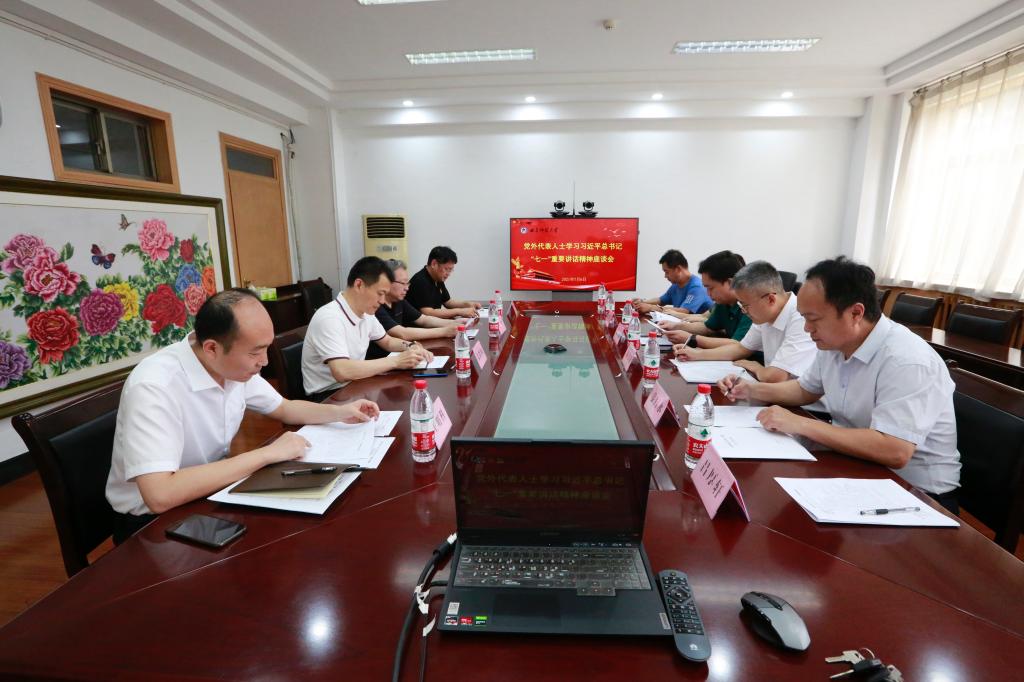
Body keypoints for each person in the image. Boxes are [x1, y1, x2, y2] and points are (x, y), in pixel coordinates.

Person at [105, 288, 381, 542]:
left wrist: (341, 412)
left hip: (207, 494)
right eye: (255, 352)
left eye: (266, 348)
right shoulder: (155, 386)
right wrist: (267, 454)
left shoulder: (230, 365)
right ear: (212, 348)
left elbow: (284, 408)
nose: (265, 361)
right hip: (150, 526)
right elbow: (160, 495)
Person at [719, 257, 960, 508]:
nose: (807, 329)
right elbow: (804, 390)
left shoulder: (907, 360)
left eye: (814, 319)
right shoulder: (835, 343)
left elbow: (895, 450)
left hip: (917, 494)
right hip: (858, 467)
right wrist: (751, 389)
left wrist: (801, 424)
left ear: (855, 313)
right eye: (804, 318)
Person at [302, 256, 433, 395]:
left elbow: (387, 341)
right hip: (329, 395)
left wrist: (411, 346)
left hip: (356, 384)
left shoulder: (366, 313)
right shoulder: (329, 318)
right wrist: (396, 361)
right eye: (380, 293)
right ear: (359, 285)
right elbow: (342, 371)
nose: (382, 301)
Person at [674, 260, 816, 382]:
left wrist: (758, 368)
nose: (743, 311)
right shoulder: (765, 315)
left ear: (770, 299)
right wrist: (696, 354)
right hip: (773, 390)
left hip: (802, 402)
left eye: (745, 305)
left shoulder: (801, 317)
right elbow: (741, 348)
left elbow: (776, 376)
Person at [366, 259, 459, 360]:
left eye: (407, 283)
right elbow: (401, 333)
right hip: (378, 361)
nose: (407, 288)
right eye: (403, 283)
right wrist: (444, 331)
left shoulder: (399, 300)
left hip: (397, 355)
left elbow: (423, 319)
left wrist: (455, 323)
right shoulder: (375, 306)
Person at [660, 250, 752, 350]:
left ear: (730, 283)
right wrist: (675, 326)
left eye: (710, 288)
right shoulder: (723, 303)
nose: (708, 293)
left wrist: (691, 339)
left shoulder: (750, 305)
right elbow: (707, 328)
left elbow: (738, 345)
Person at [632, 249, 714, 319]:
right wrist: (642, 302)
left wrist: (651, 308)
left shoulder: (697, 287)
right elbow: (661, 300)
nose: (665, 276)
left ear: (678, 269)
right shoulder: (676, 284)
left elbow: (684, 311)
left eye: (666, 272)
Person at [406, 246, 481, 319]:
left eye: (451, 270)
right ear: (434, 264)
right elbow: (428, 313)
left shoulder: (437, 278)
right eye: (446, 269)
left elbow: (448, 302)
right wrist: (460, 311)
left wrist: (468, 304)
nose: (448, 273)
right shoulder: (420, 281)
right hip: (415, 326)